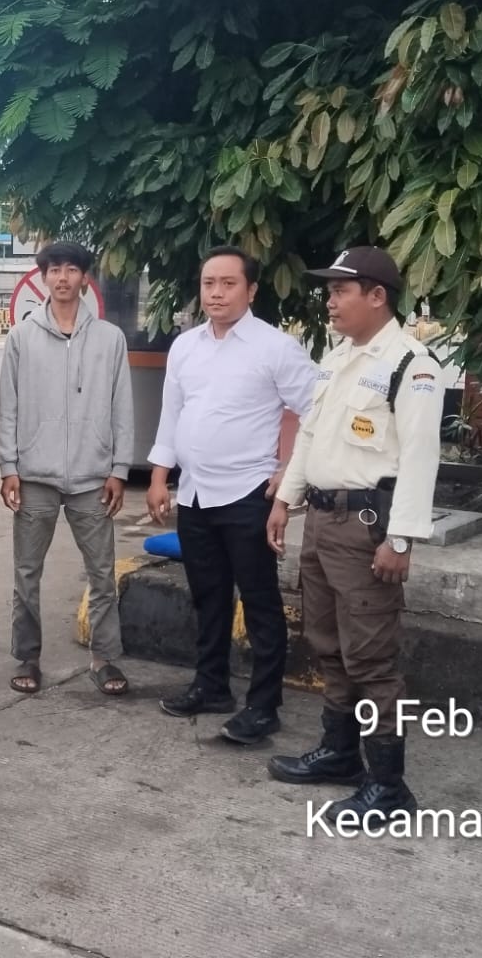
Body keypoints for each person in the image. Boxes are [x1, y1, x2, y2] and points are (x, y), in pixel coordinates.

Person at [267, 245, 443, 825]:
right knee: (328, 643)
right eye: (330, 291)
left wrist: (402, 539)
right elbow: (311, 436)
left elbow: (420, 457)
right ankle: (340, 753)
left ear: (377, 296)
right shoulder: (338, 356)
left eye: (341, 291)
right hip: (322, 522)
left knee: (371, 657)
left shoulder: (411, 365)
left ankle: (389, 787)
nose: (330, 301)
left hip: (366, 528)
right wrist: (286, 500)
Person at [147, 246, 317, 744]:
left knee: (260, 601)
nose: (216, 293)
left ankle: (264, 706)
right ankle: (211, 685)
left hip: (248, 494)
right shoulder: (186, 347)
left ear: (251, 290)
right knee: (209, 596)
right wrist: (159, 475)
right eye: (208, 284)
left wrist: (289, 474)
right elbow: (172, 414)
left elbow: (316, 412)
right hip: (195, 494)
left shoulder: (276, 348)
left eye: (228, 283)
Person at [0, 241, 134, 696]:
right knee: (26, 574)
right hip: (34, 475)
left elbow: (122, 408)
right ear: (43, 278)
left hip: (93, 477)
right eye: (54, 269)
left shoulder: (110, 339)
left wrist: (119, 469)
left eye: (71, 269)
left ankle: (104, 658)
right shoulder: (22, 337)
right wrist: (9, 466)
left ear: (84, 279)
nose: (62, 278)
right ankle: (27, 656)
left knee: (102, 573)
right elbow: (9, 407)